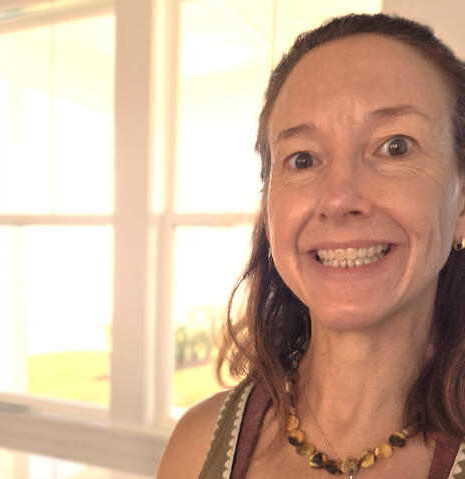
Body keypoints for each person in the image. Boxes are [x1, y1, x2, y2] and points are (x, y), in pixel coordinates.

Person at [157, 12, 465, 479]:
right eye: (302, 159)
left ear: (460, 203)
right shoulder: (195, 447)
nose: (339, 199)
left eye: (395, 147)